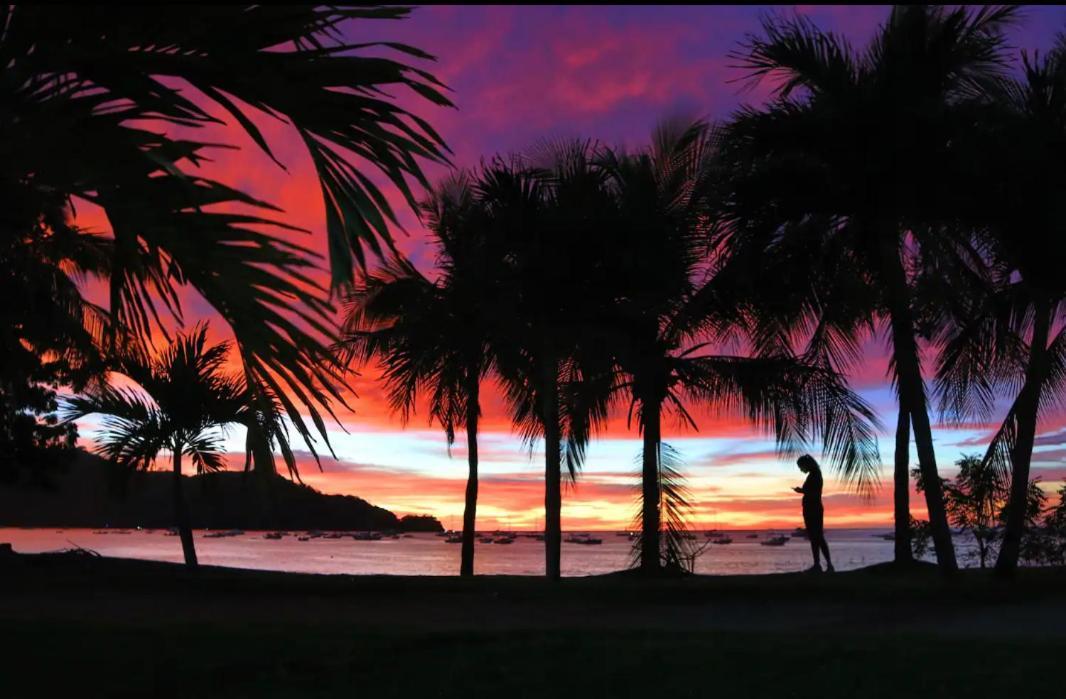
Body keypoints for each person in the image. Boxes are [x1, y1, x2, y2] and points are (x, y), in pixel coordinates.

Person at [793, 454, 834, 573]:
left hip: (813, 509)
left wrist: (801, 490)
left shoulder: (815, 475)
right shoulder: (814, 474)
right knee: (815, 538)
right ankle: (819, 564)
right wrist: (802, 491)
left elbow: (813, 492)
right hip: (811, 508)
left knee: (817, 537)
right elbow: (812, 491)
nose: (801, 470)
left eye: (801, 467)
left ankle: (824, 565)